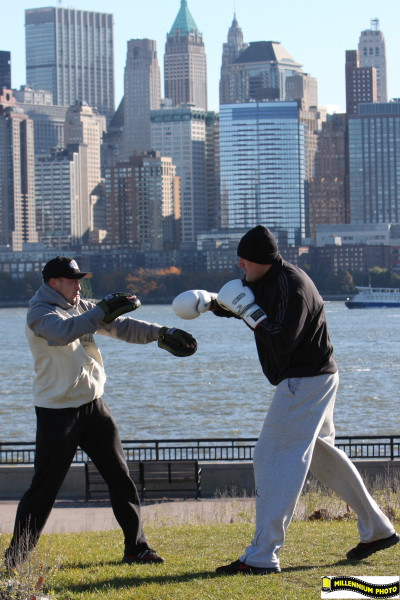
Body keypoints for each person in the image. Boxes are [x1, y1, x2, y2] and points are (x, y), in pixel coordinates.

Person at [172, 225, 399, 575]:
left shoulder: (295, 287)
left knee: (272, 456)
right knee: (323, 458)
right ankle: (379, 530)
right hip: (316, 377)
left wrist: (250, 313)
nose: (239, 266)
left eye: (244, 261)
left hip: (304, 380)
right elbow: (242, 302)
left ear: (260, 261)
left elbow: (280, 338)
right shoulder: (262, 279)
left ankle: (263, 555)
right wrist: (210, 303)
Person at [4, 256, 197, 571]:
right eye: (72, 280)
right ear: (53, 283)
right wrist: (100, 311)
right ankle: (16, 558)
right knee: (44, 489)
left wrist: (162, 332)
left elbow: (120, 325)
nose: (79, 286)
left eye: (80, 280)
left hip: (94, 406)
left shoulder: (82, 306)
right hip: (57, 412)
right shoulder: (39, 313)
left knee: (121, 478)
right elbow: (64, 332)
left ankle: (137, 548)